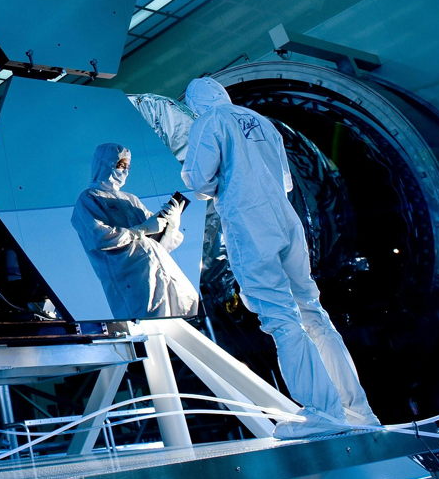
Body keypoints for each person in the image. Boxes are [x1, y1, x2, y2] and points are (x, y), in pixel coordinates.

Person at [181, 77, 379, 438]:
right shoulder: (262, 122)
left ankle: (323, 413)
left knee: (281, 318)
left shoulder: (209, 122)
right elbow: (286, 182)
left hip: (249, 222)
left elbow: (196, 181)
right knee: (314, 314)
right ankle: (359, 413)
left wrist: (215, 188)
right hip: (287, 220)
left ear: (196, 103)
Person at [71, 143, 199, 319]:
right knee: (152, 326)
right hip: (133, 279)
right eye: (120, 165)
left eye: (127, 167)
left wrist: (171, 224)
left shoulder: (131, 199)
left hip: (161, 267)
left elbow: (159, 242)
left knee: (187, 308)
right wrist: (142, 229)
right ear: (104, 164)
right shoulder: (89, 199)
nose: (124, 171)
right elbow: (100, 237)